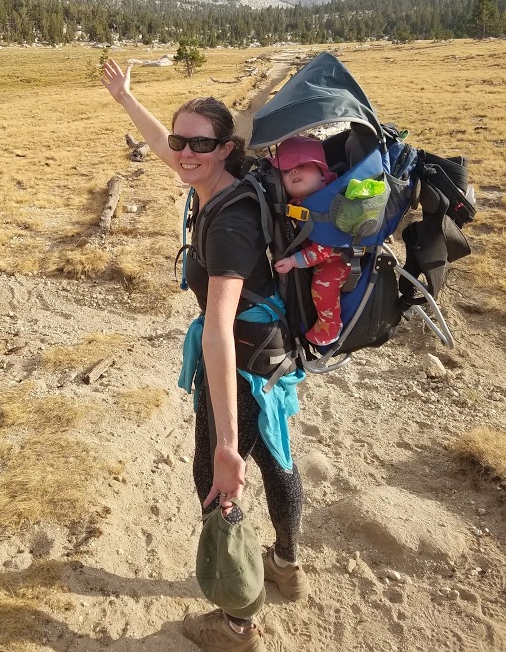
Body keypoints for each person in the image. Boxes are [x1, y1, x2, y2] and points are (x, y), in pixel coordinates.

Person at [102, 59, 309, 652]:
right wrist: (127, 100)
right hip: (273, 353)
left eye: (200, 143)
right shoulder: (228, 180)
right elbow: (170, 153)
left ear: (225, 147)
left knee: (219, 478)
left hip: (242, 360)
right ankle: (287, 566)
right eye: (179, 140)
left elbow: (217, 331)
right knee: (275, 457)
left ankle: (237, 624)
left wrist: (223, 447)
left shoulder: (228, 226)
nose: (185, 153)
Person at [269, 136, 351, 349]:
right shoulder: (299, 204)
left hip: (338, 259)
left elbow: (322, 251)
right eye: (286, 171)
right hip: (320, 255)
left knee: (322, 286)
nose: (293, 172)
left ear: (324, 176)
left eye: (302, 165)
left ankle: (330, 325)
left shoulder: (325, 204)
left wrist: (294, 262)